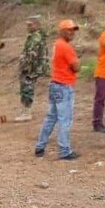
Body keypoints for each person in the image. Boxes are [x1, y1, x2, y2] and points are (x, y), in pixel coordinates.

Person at [34, 19, 80, 160]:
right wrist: (78, 61)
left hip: (55, 84)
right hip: (64, 86)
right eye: (68, 30)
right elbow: (76, 67)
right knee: (64, 120)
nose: (72, 32)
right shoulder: (65, 47)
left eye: (73, 30)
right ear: (61, 31)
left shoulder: (57, 44)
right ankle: (64, 151)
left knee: (51, 117)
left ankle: (40, 146)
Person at [16, 15, 49, 122]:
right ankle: (25, 110)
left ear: (37, 25)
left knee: (27, 89)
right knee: (27, 88)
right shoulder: (36, 36)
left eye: (30, 25)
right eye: (27, 25)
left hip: (30, 68)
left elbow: (31, 55)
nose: (28, 27)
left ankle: (26, 112)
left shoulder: (35, 38)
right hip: (33, 67)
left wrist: (24, 67)